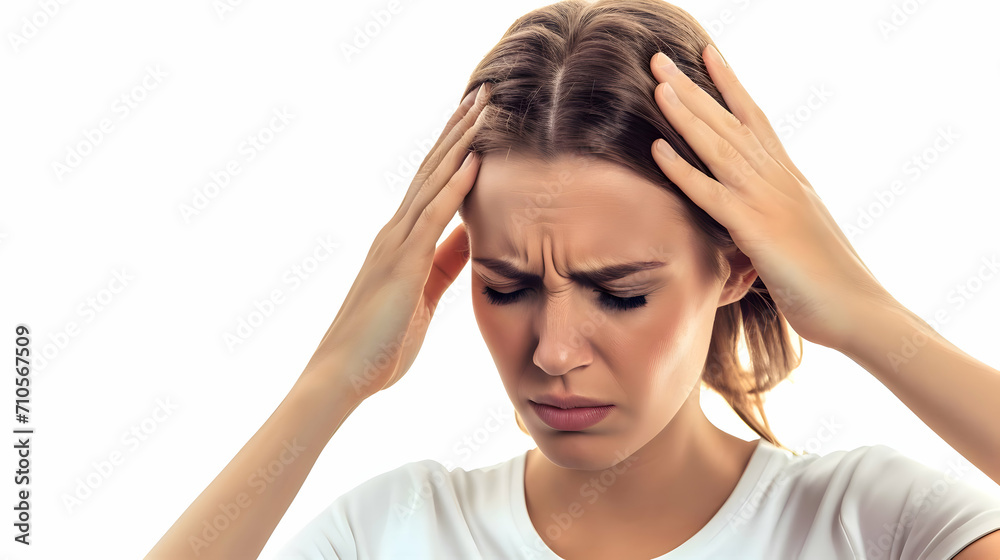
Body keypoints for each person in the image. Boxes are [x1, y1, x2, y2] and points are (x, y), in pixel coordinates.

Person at [144, 1, 1000, 558]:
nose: (552, 354)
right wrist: (330, 384)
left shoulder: (881, 527)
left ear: (739, 265)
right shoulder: (394, 533)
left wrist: (865, 317)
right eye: (506, 286)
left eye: (621, 293)